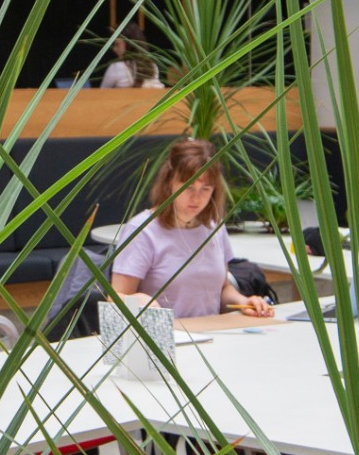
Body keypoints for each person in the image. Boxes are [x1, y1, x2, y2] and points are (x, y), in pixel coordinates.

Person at [107, 138, 274, 323]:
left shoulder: (214, 227)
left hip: (212, 334)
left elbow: (222, 289)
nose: (196, 198)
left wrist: (244, 301)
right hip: (164, 339)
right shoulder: (142, 231)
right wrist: (136, 300)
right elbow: (115, 299)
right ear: (169, 183)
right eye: (188, 187)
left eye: (205, 189)